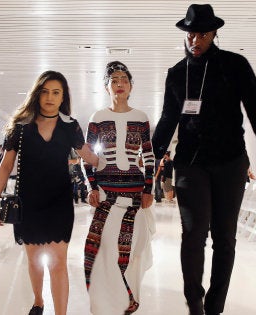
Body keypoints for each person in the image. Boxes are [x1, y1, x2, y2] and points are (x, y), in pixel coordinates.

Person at [151, 4, 256, 315]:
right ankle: (194, 302)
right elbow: (168, 119)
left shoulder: (234, 65)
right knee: (193, 234)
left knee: (225, 238)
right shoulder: (177, 74)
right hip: (190, 164)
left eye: (203, 34)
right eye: (191, 33)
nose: (195, 40)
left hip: (231, 162)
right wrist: (151, 159)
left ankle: (214, 306)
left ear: (215, 33)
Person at [0, 71, 100, 315]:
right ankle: (38, 301)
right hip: (28, 202)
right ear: (37, 94)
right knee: (34, 258)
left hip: (59, 201)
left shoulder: (70, 126)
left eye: (56, 92)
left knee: (58, 263)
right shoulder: (20, 127)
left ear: (63, 98)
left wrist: (115, 164)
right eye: (46, 91)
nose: (50, 97)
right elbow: (6, 166)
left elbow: (89, 157)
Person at [83, 61, 154, 314]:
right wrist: (91, 186)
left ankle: (126, 298)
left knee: (130, 247)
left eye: (124, 79)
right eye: (114, 80)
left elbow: (148, 156)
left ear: (131, 85)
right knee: (101, 246)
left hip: (135, 193)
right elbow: (87, 154)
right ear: (107, 87)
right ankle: (104, 300)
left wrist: (148, 190)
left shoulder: (141, 117)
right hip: (105, 191)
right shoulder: (98, 117)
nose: (119, 84)